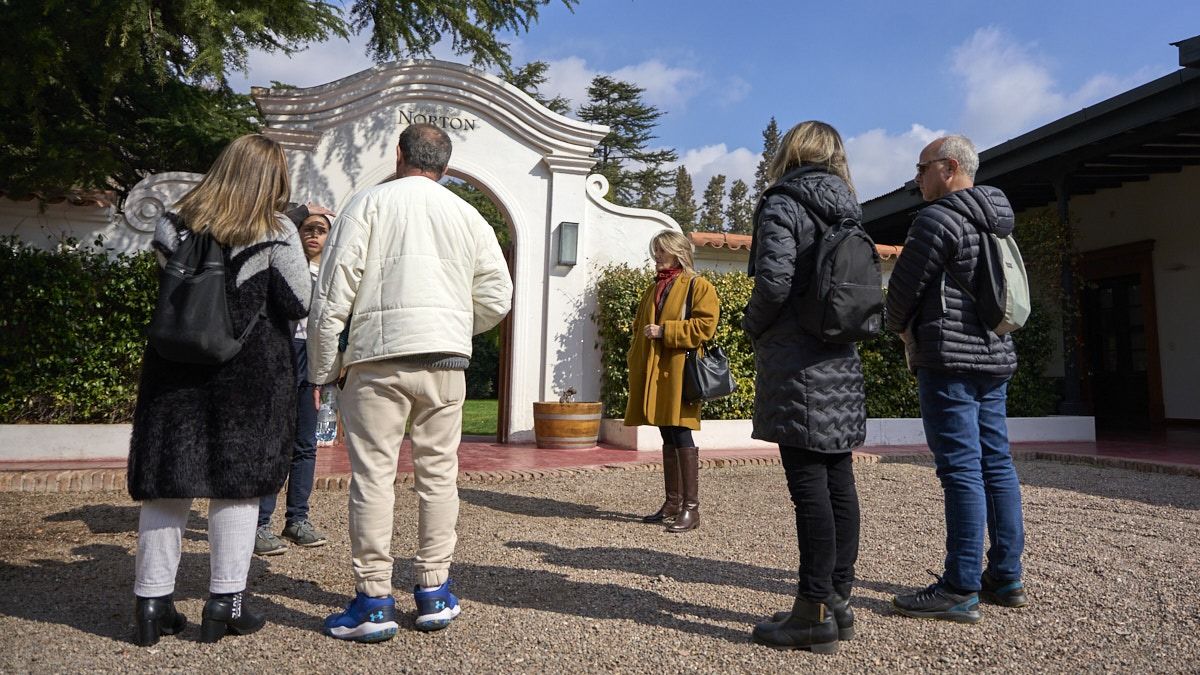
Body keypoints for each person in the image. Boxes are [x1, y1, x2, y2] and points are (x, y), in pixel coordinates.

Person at [309, 123, 512, 641]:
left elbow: (333, 293)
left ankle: (374, 600)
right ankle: (434, 591)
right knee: (439, 475)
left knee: (374, 477)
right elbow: (497, 296)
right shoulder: (468, 215)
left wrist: (322, 369)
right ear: (445, 163)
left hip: (379, 358)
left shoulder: (368, 204)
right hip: (445, 361)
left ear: (399, 154)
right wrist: (450, 323)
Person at [127, 133, 312, 646]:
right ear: (273, 179)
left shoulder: (172, 223)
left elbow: (174, 287)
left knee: (169, 482)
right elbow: (298, 302)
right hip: (250, 376)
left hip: (174, 369)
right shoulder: (275, 230)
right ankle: (225, 602)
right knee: (239, 483)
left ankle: (151, 603)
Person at [885, 135, 1026, 623]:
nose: (917, 179)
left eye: (922, 169)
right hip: (996, 354)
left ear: (948, 167)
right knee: (997, 465)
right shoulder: (999, 219)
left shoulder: (938, 219)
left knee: (961, 470)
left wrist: (896, 326)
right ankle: (1006, 577)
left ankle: (960, 586)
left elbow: (903, 290)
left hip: (949, 360)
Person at [742, 121, 866, 654]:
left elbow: (773, 283)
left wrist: (751, 326)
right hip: (840, 357)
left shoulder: (783, 202)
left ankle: (812, 612)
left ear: (790, 152)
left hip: (798, 361)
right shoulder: (848, 208)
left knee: (808, 485)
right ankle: (837, 599)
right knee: (838, 477)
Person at [624, 229, 719, 533]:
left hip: (681, 372)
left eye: (662, 251)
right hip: (657, 371)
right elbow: (640, 327)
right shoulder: (654, 288)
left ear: (677, 253)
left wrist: (666, 332)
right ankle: (672, 502)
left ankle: (691, 509)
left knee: (681, 433)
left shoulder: (698, 286)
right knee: (667, 434)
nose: (657, 257)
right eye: (656, 251)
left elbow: (705, 327)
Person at [255, 204, 336, 556]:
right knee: (274, 442)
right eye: (308, 228)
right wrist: (296, 212)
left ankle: (297, 520)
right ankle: (259, 524)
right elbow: (269, 225)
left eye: (321, 229)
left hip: (312, 359)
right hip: (279, 355)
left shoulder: (331, 275)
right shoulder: (282, 264)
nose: (314, 234)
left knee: (305, 444)